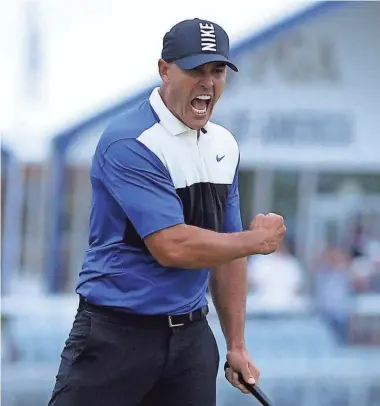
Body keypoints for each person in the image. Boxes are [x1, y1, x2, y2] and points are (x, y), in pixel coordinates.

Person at [48, 18, 286, 406]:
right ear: (164, 70)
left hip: (191, 341)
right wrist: (255, 240)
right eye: (195, 69)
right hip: (116, 338)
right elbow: (172, 246)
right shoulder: (130, 141)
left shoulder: (223, 144)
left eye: (218, 70)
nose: (208, 83)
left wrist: (237, 345)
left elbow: (226, 253)